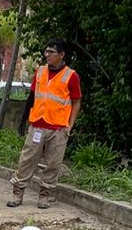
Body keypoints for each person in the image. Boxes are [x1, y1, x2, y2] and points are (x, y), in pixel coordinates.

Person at [8, 39, 81, 210]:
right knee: (27, 160)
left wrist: (70, 125)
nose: (46, 55)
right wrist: (24, 119)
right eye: (46, 51)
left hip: (58, 128)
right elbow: (32, 96)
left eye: (51, 52)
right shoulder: (40, 72)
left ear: (61, 55)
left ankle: (45, 195)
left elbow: (76, 101)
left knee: (53, 164)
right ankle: (18, 193)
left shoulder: (71, 76)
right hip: (38, 126)